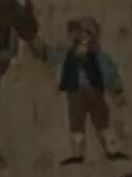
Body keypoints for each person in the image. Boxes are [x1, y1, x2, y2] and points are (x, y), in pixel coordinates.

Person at [50, 17, 125, 162]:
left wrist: (116, 89)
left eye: (88, 33)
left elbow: (109, 71)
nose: (84, 37)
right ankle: (77, 154)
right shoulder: (66, 53)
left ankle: (112, 150)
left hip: (94, 91)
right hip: (75, 91)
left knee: (102, 121)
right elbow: (52, 55)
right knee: (76, 122)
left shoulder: (98, 56)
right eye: (80, 33)